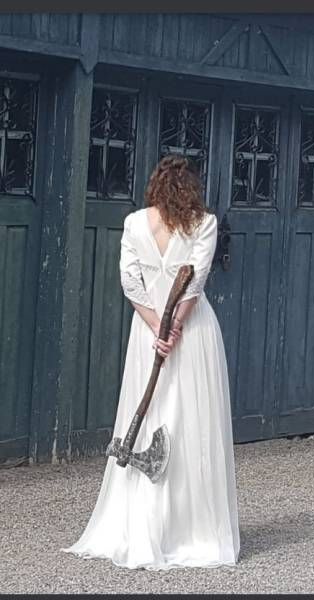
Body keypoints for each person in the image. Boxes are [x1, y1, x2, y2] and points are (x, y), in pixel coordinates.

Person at [62, 155, 240, 569]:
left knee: (166, 413)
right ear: (190, 187)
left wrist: (157, 327)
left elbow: (132, 282)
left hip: (150, 333)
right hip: (189, 332)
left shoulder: (135, 222)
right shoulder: (204, 222)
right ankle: (191, 526)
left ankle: (154, 521)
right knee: (191, 418)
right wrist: (173, 327)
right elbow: (197, 280)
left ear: (155, 186)